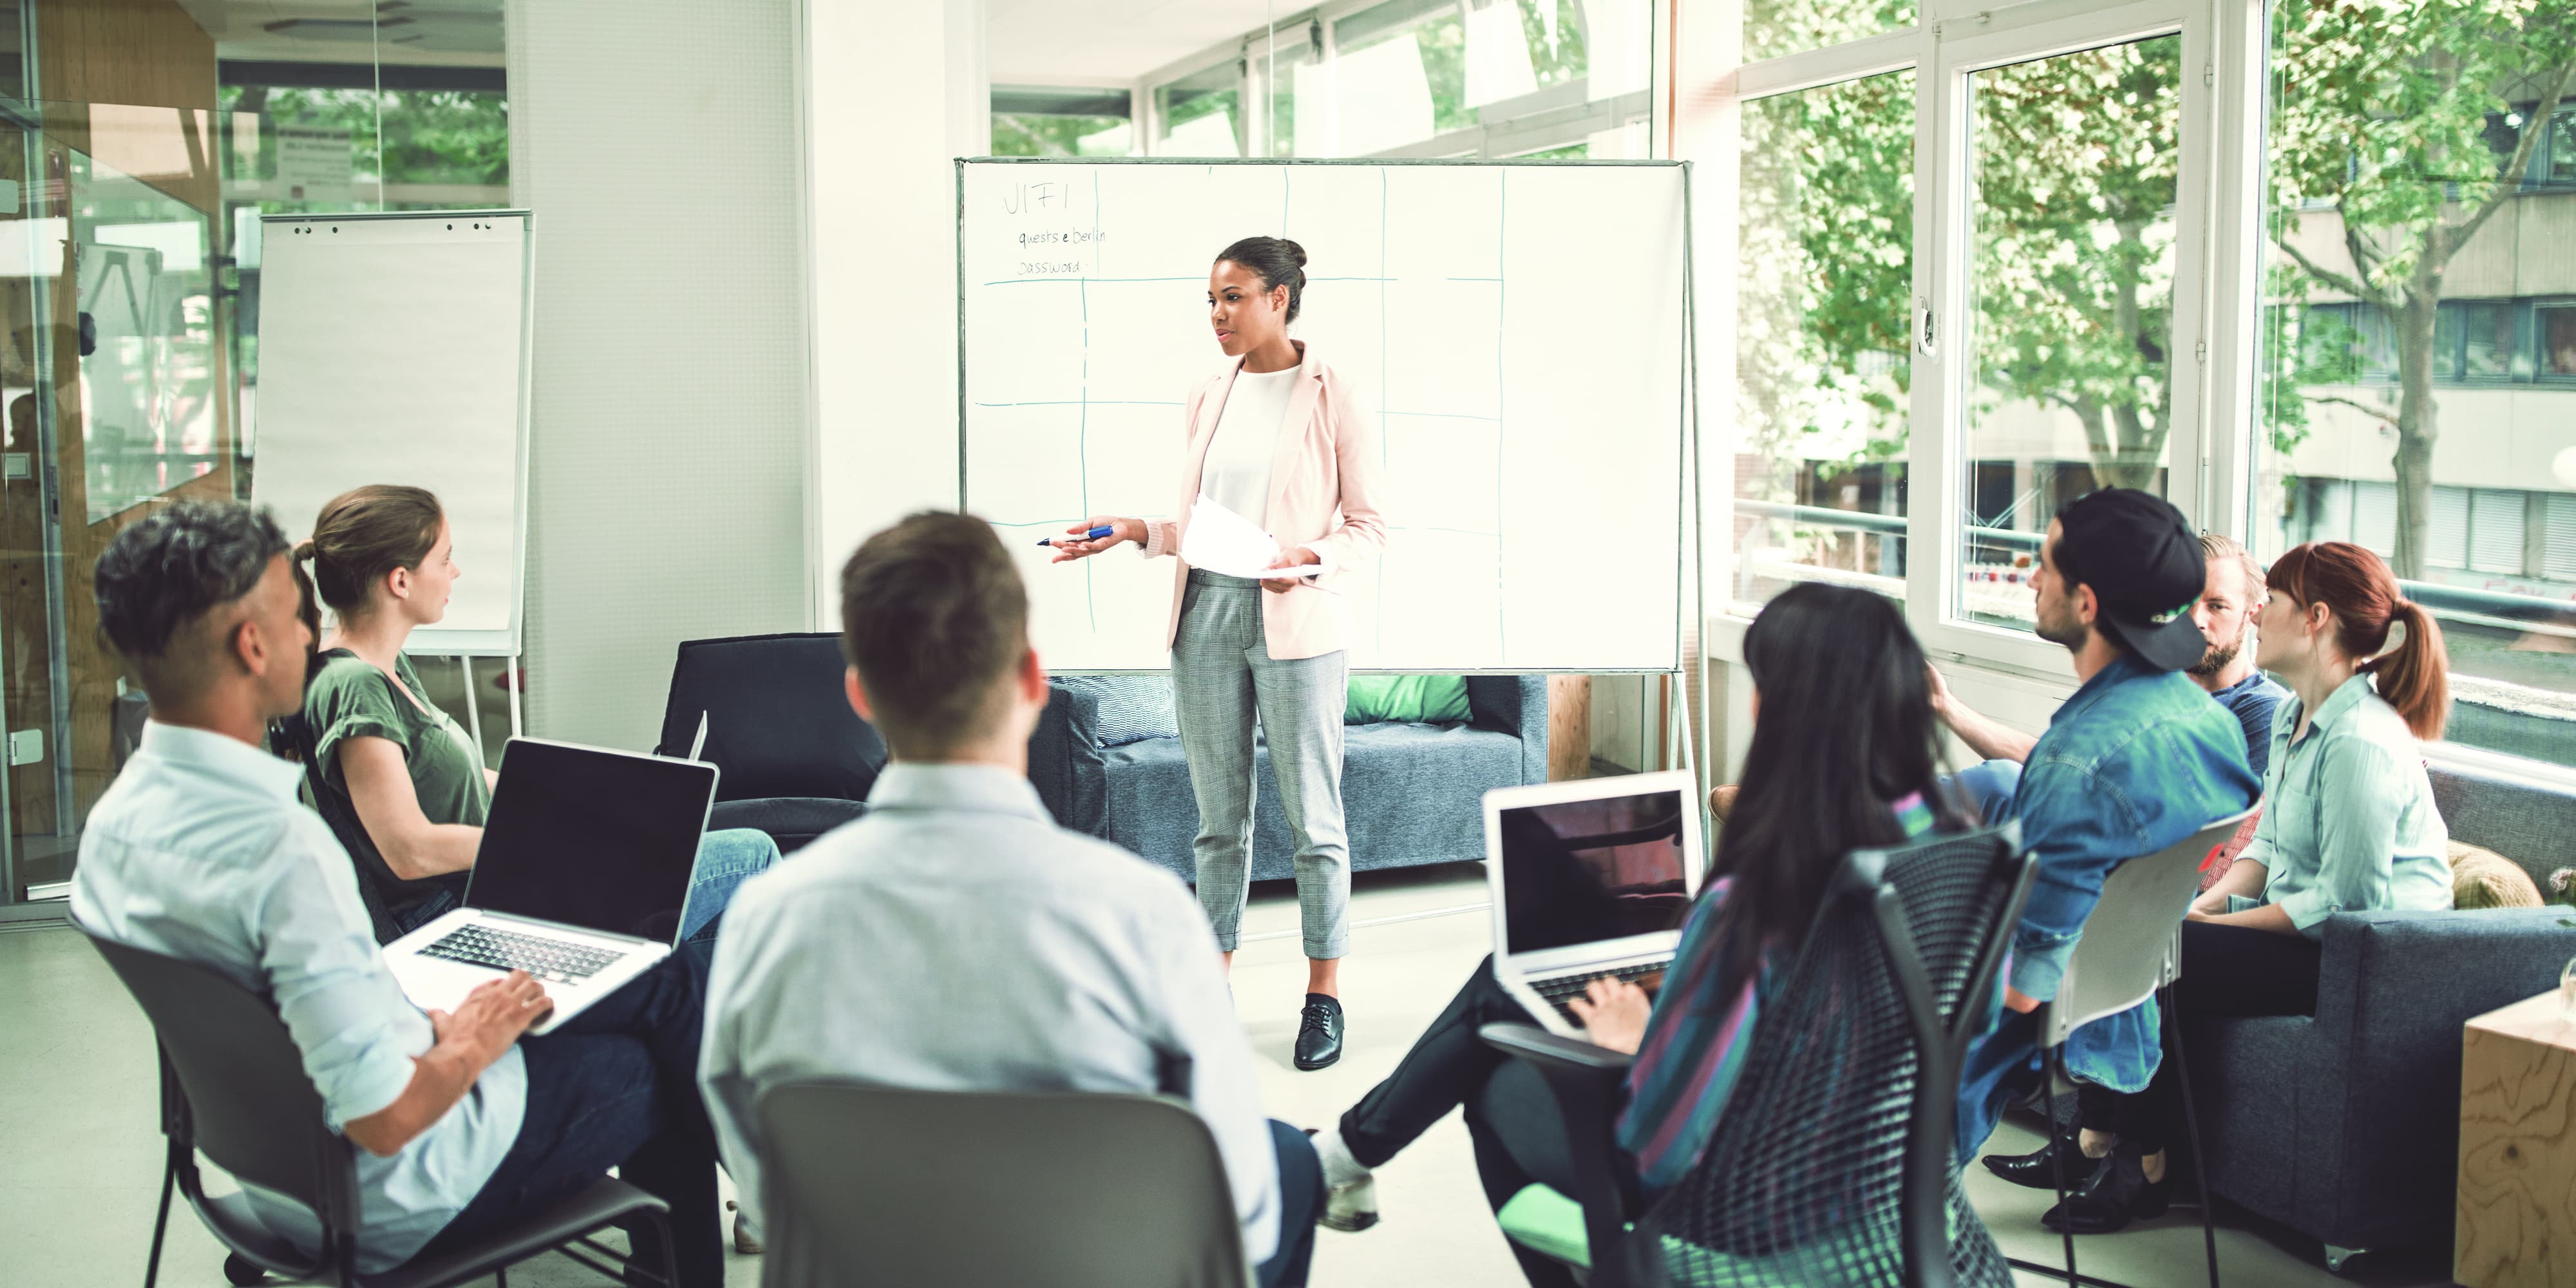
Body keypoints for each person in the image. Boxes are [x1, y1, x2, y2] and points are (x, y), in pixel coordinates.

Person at [71, 501, 724, 1283]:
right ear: (253, 645)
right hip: (394, 1193)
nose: (312, 635)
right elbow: (386, 1119)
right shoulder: (281, 853)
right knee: (660, 1046)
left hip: (271, 1179)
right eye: (295, 615)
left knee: (653, 985)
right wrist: (473, 1040)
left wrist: (425, 1023)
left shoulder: (113, 828)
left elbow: (276, 1015)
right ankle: (763, 1214)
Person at [699, 511, 1321, 1287]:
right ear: (1033, 681)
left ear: (860, 694)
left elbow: (769, 1190)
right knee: (1288, 1158)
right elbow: (1240, 1209)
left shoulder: (765, 919)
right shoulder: (1145, 916)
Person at [1305, 583, 1963, 1288]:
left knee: (1496, 1076)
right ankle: (1347, 1150)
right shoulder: (1952, 856)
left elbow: (1662, 1146)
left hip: (1750, 1212)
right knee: (1503, 987)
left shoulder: (1755, 902)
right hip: (1894, 1194)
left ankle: (1344, 1155)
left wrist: (1633, 1044)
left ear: (1782, 713)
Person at [2029, 540, 2452, 1232]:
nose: (2260, 614)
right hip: (2315, 932)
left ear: (2315, 617)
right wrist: (2187, 908)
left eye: (2275, 602)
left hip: (2370, 962)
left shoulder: (2361, 740)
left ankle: (2140, 1160)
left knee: (2165, 958)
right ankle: (2106, 1140)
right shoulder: (2296, 715)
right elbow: (2268, 848)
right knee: (2147, 936)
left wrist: (2207, 931)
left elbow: (2345, 905)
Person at [1045, 235, 1388, 1070]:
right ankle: (1211, 990)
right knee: (1216, 822)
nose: (1218, 315)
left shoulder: (1334, 391)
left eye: (1233, 297)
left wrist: (1304, 562)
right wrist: (1135, 531)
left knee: (1315, 820)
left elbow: (1368, 527)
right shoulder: (1209, 392)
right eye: (1212, 300)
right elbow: (1200, 527)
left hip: (1296, 620)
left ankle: (1323, 995)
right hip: (1203, 616)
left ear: (1279, 297)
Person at [1951, 488, 2262, 1236]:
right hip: (2137, 978)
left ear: (2086, 602)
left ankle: (1871, 1217)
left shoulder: (2076, 762)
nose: (2029, 579)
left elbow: (2024, 991)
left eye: (2044, 564)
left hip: (2061, 1001)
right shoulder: (2206, 724)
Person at [296, 484, 779, 941]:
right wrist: (540, 843)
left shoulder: (386, 665)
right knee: (751, 857)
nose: (455, 572)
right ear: (400, 581)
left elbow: (452, 777)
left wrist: (571, 800)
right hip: (477, 909)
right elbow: (409, 850)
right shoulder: (353, 686)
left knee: (701, 894)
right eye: (444, 559)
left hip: (508, 885)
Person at [1933, 532, 2287, 822]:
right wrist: (1946, 705)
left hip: (2129, 866)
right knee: (1985, 786)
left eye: (2217, 606)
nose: (2196, 621)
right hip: (2069, 834)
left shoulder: (2262, 711)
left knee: (1997, 783)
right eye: (2185, 604)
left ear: (2251, 615)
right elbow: (2056, 759)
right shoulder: (2149, 686)